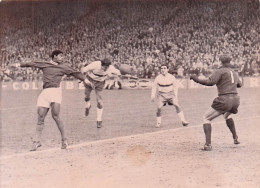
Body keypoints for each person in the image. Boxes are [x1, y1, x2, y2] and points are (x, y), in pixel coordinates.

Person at [12, 50, 92, 151]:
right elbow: (31, 63)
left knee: (55, 116)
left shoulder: (63, 66)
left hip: (55, 92)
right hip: (45, 92)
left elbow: (75, 73)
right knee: (40, 117)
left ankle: (64, 140)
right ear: (55, 56)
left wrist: (85, 80)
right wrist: (19, 64)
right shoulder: (45, 64)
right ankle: (36, 142)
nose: (62, 58)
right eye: (60, 56)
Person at [190, 54, 243, 151]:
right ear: (229, 62)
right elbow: (240, 85)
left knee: (206, 118)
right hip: (236, 99)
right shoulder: (234, 72)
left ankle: (208, 145)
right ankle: (235, 138)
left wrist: (195, 79)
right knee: (227, 115)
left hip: (224, 99)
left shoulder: (220, 71)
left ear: (220, 62)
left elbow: (209, 82)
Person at [81, 58, 121, 128]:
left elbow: (117, 73)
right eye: (105, 67)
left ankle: (99, 120)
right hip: (90, 80)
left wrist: (118, 75)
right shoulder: (95, 64)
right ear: (101, 65)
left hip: (100, 82)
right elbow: (82, 70)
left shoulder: (111, 68)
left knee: (99, 101)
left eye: (107, 67)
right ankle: (88, 105)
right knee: (86, 96)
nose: (106, 69)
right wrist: (86, 80)